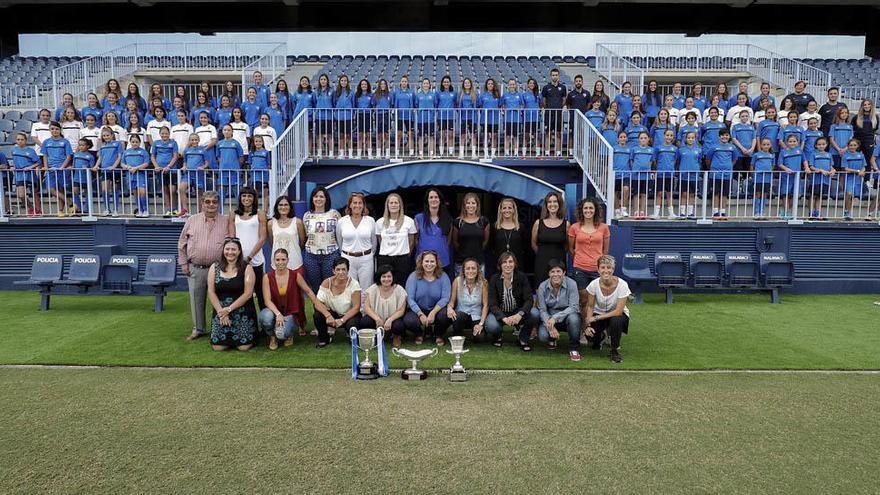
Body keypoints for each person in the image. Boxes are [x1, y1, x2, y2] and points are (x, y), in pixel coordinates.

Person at [178, 192, 228, 341]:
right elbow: (182, 244)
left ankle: (220, 326)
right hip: (196, 267)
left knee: (221, 299)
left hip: (219, 268)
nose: (211, 205)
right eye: (207, 202)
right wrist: (183, 264)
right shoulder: (192, 220)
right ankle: (198, 329)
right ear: (202, 203)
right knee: (196, 299)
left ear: (218, 204)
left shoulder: (225, 221)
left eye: (214, 202)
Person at [208, 237, 257, 351]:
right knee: (218, 347)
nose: (230, 252)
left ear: (239, 251)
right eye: (227, 249)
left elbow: (248, 294)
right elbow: (211, 291)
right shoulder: (214, 267)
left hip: (242, 311)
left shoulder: (247, 268)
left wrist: (228, 309)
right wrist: (221, 312)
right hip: (221, 311)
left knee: (243, 347)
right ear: (223, 250)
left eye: (233, 249)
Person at [568, 196, 610, 323]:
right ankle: (585, 327)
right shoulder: (574, 227)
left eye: (591, 208)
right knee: (584, 300)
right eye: (585, 208)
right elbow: (571, 249)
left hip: (598, 270)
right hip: (580, 268)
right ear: (581, 210)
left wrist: (600, 265)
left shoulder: (604, 228)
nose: (588, 210)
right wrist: (580, 260)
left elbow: (605, 251)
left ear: (595, 210)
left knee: (602, 300)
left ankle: (601, 328)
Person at [260, 248, 312, 350]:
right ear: (273, 261)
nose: (280, 262)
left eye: (283, 259)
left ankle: (289, 334)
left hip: (290, 311)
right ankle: (272, 337)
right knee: (265, 317)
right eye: (277, 260)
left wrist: (320, 306)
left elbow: (309, 291)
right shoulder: (267, 277)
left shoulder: (295, 275)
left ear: (288, 260)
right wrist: (278, 314)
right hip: (275, 311)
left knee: (282, 334)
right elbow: (267, 300)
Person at [584, 255, 631, 364]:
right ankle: (600, 338)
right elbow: (590, 306)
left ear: (613, 269)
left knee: (616, 320)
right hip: (599, 314)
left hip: (618, 316)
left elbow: (618, 311)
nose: (606, 270)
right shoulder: (593, 285)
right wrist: (588, 325)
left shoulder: (623, 285)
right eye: (603, 267)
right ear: (598, 269)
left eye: (609, 268)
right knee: (589, 336)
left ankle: (614, 351)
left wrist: (595, 318)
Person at [228, 187, 268, 309]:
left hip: (255, 260)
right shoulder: (233, 214)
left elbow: (262, 239)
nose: (246, 198)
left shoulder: (260, 214)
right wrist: (237, 257)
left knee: (261, 294)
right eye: (244, 195)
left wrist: (249, 257)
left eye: (250, 196)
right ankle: (247, 325)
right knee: (241, 294)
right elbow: (232, 238)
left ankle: (266, 325)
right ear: (240, 198)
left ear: (254, 198)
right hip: (238, 261)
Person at [535, 259, 582, 361]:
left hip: (567, 316)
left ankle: (574, 348)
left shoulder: (572, 284)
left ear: (564, 273)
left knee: (574, 318)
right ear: (548, 273)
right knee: (543, 336)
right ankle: (552, 338)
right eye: (552, 272)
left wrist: (555, 318)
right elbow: (542, 310)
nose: (555, 274)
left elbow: (574, 307)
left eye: (558, 271)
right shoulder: (542, 286)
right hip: (550, 316)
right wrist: (550, 325)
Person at [404, 250, 452, 346]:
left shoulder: (443, 276)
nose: (429, 264)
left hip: (437, 309)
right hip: (418, 309)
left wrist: (433, 312)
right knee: (408, 320)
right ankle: (419, 333)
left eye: (432, 261)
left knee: (446, 316)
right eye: (426, 261)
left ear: (436, 263)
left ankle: (438, 334)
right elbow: (410, 299)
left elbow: (445, 298)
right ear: (421, 263)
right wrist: (420, 314)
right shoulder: (413, 276)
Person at [313, 257, 362, 348]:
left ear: (348, 270)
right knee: (318, 314)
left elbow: (356, 307)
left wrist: (342, 320)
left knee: (352, 324)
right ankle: (324, 338)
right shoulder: (326, 282)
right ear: (333, 271)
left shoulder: (354, 284)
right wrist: (328, 316)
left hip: (349, 314)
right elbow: (317, 303)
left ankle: (351, 335)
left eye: (344, 269)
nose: (341, 272)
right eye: (338, 269)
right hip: (332, 313)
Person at [303, 186, 340, 292]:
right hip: (311, 256)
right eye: (316, 196)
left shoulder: (334, 214)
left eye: (321, 197)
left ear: (326, 199)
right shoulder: (307, 216)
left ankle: (330, 308)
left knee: (330, 285)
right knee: (315, 287)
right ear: (312, 199)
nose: (318, 199)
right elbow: (306, 235)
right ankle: (317, 308)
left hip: (330, 255)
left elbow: (339, 234)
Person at [336, 192, 376, 291]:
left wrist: (368, 254)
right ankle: (352, 307)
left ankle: (364, 307)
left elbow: (374, 242)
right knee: (350, 289)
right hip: (348, 259)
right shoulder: (342, 221)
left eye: (360, 203)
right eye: (354, 203)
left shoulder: (370, 221)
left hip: (366, 259)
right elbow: (339, 241)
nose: (357, 205)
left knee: (366, 290)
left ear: (363, 205)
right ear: (350, 205)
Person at [375, 192, 417, 286]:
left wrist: (405, 255)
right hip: (385, 259)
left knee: (402, 285)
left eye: (396, 202)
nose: (393, 205)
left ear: (400, 205)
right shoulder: (379, 222)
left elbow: (412, 241)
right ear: (387, 205)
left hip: (402, 259)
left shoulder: (408, 221)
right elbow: (380, 240)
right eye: (391, 203)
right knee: (385, 285)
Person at [362, 264, 408, 347]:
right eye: (383, 276)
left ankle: (396, 336)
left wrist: (390, 319)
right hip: (377, 318)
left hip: (393, 319)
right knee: (365, 321)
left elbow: (401, 310)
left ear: (393, 277)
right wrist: (377, 319)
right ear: (379, 277)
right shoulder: (373, 288)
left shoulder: (399, 289)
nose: (386, 279)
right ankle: (374, 337)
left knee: (399, 326)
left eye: (389, 276)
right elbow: (366, 307)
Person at [446, 258, 491, 344]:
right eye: (468, 268)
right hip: (462, 315)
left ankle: (476, 333)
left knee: (480, 339)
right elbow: (452, 301)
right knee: (457, 316)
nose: (471, 271)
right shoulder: (457, 281)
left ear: (478, 270)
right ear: (463, 270)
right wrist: (449, 308)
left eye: (473, 268)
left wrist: (481, 324)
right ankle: (458, 335)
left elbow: (486, 305)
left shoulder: (483, 283)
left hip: (476, 317)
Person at [415, 188, 454, 278]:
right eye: (431, 197)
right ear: (427, 200)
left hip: (442, 261)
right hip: (423, 262)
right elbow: (415, 240)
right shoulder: (418, 218)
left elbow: (448, 240)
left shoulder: (448, 219)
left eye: (436, 197)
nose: (434, 199)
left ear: (440, 200)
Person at [451, 192, 490, 275]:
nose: (470, 206)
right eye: (468, 203)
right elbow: (455, 242)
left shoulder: (483, 221)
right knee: (461, 287)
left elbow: (485, 242)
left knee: (479, 287)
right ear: (464, 205)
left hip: (478, 262)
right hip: (461, 262)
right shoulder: (458, 222)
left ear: (477, 205)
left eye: (473, 203)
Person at [41, 121, 73, 217]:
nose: (55, 131)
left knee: (61, 190)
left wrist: (62, 167)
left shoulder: (65, 141)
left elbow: (68, 156)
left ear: (60, 130)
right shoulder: (46, 142)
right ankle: (69, 202)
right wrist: (46, 167)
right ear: (50, 130)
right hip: (51, 169)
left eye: (57, 129)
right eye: (52, 129)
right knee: (51, 189)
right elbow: (45, 155)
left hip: (62, 169)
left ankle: (60, 211)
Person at [268, 195, 305, 272]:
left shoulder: (298, 222)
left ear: (290, 207)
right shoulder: (271, 223)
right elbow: (272, 243)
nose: (283, 207)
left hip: (295, 263)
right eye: (280, 205)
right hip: (277, 264)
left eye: (286, 205)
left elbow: (302, 243)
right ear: (276, 207)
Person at [491, 197, 527, 269]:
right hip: (499, 266)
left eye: (510, 208)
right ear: (500, 210)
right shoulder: (494, 227)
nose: (507, 210)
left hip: (517, 266)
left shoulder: (521, 227)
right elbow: (491, 247)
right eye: (504, 208)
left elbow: (524, 247)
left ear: (514, 210)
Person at [541, 68, 567, 156]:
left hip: (558, 114)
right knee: (547, 132)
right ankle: (547, 152)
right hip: (549, 113)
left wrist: (559, 107)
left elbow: (564, 100)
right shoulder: (546, 88)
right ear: (550, 76)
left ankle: (558, 152)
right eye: (553, 75)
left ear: (558, 76)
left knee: (558, 133)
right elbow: (544, 101)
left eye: (556, 75)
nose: (554, 77)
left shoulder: (563, 87)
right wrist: (548, 108)